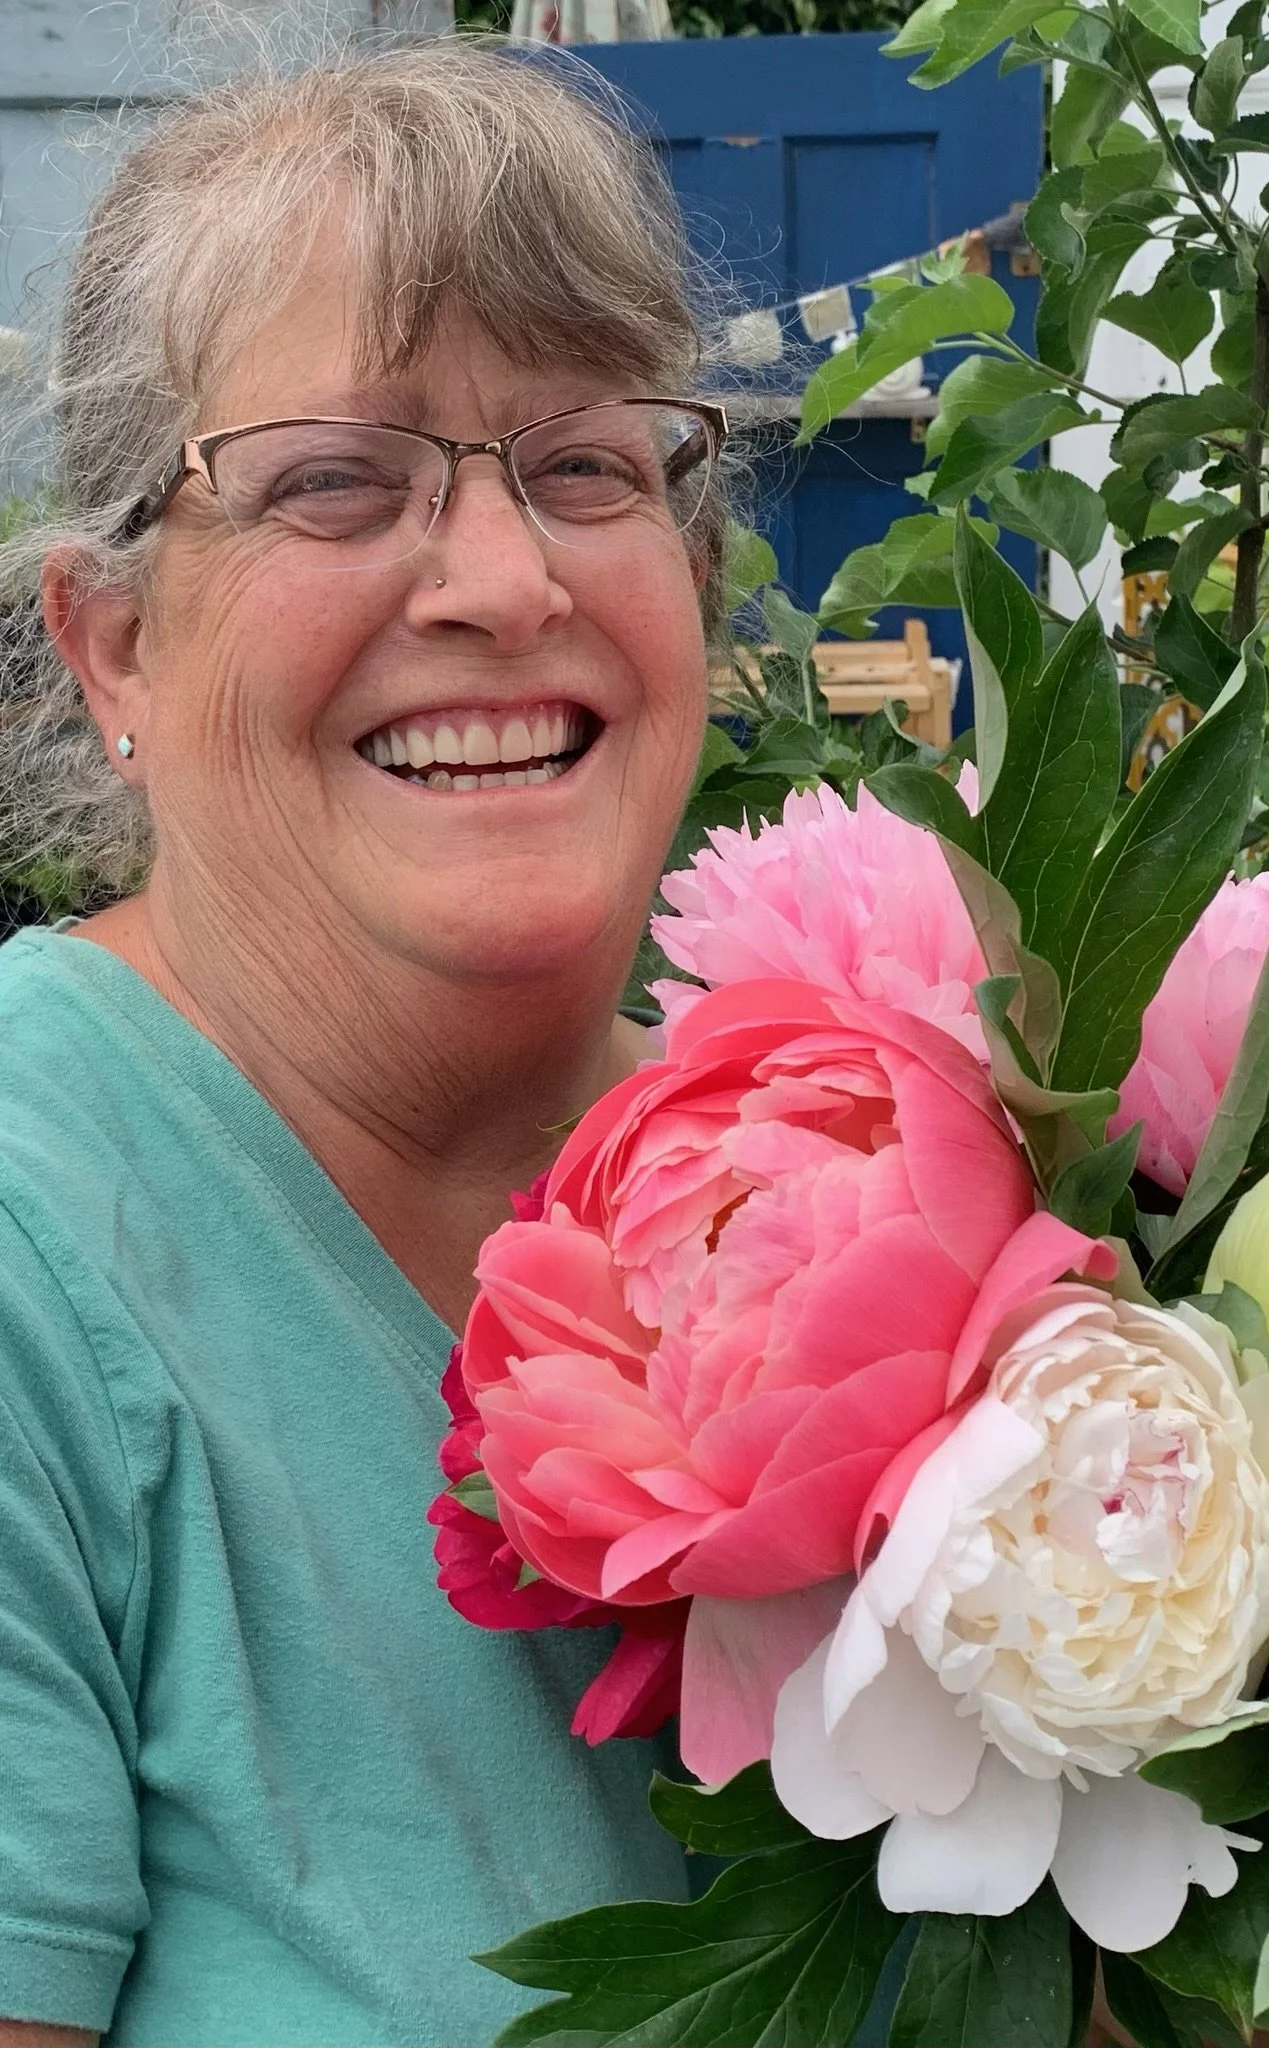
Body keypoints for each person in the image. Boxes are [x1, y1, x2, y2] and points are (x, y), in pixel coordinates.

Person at [0, 39, 727, 2045]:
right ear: (115, 643)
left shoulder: (882, 1157)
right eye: (334, 479)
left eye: (587, 466)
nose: (503, 583)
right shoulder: (33, 1252)